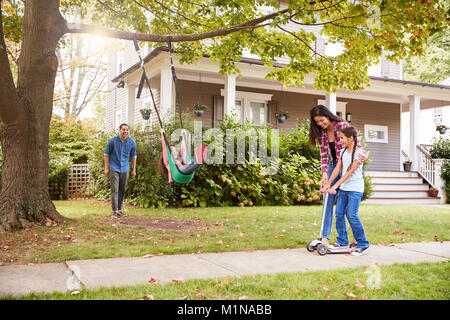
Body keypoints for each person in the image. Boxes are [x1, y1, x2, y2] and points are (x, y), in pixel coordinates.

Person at [309, 104, 368, 247]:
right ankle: (325, 237)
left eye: (322, 120)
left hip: (347, 162)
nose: (320, 124)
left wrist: (362, 154)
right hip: (333, 165)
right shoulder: (321, 133)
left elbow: (353, 142)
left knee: (349, 208)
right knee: (328, 201)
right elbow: (324, 155)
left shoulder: (341, 125)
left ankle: (356, 238)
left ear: (328, 116)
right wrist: (324, 174)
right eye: (317, 122)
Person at [322, 126, 370, 256]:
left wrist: (334, 186)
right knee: (339, 213)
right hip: (344, 189)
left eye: (342, 138)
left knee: (351, 215)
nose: (340, 141)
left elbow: (349, 173)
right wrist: (328, 184)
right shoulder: (343, 151)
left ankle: (363, 244)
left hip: (355, 189)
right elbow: (338, 169)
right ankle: (342, 241)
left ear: (350, 138)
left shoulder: (360, 154)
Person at [104, 123, 137, 218]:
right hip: (114, 167)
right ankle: (115, 211)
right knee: (115, 189)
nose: (125, 131)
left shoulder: (132, 142)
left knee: (122, 190)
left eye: (127, 130)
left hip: (125, 168)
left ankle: (119, 210)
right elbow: (106, 154)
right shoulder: (112, 141)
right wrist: (106, 168)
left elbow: (133, 156)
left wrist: (134, 170)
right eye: (123, 129)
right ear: (120, 130)